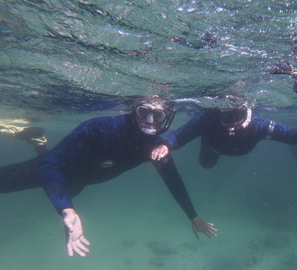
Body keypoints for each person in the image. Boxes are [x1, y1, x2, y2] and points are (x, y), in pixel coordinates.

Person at [0, 96, 217, 257]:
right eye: (143, 112)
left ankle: (38, 141)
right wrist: (66, 209)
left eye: (158, 115)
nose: (149, 121)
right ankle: (37, 142)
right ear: (134, 110)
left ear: (167, 119)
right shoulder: (99, 128)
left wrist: (193, 216)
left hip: (79, 182)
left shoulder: (154, 146)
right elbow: (49, 167)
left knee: (73, 187)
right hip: (57, 173)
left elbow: (172, 179)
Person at [150, 102, 297, 167]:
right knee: (206, 165)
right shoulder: (208, 118)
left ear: (247, 111)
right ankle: (208, 147)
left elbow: (293, 135)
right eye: (227, 115)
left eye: (238, 114)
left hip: (237, 150)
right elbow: (180, 135)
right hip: (213, 148)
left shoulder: (259, 124)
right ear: (218, 113)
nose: (233, 121)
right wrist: (166, 144)